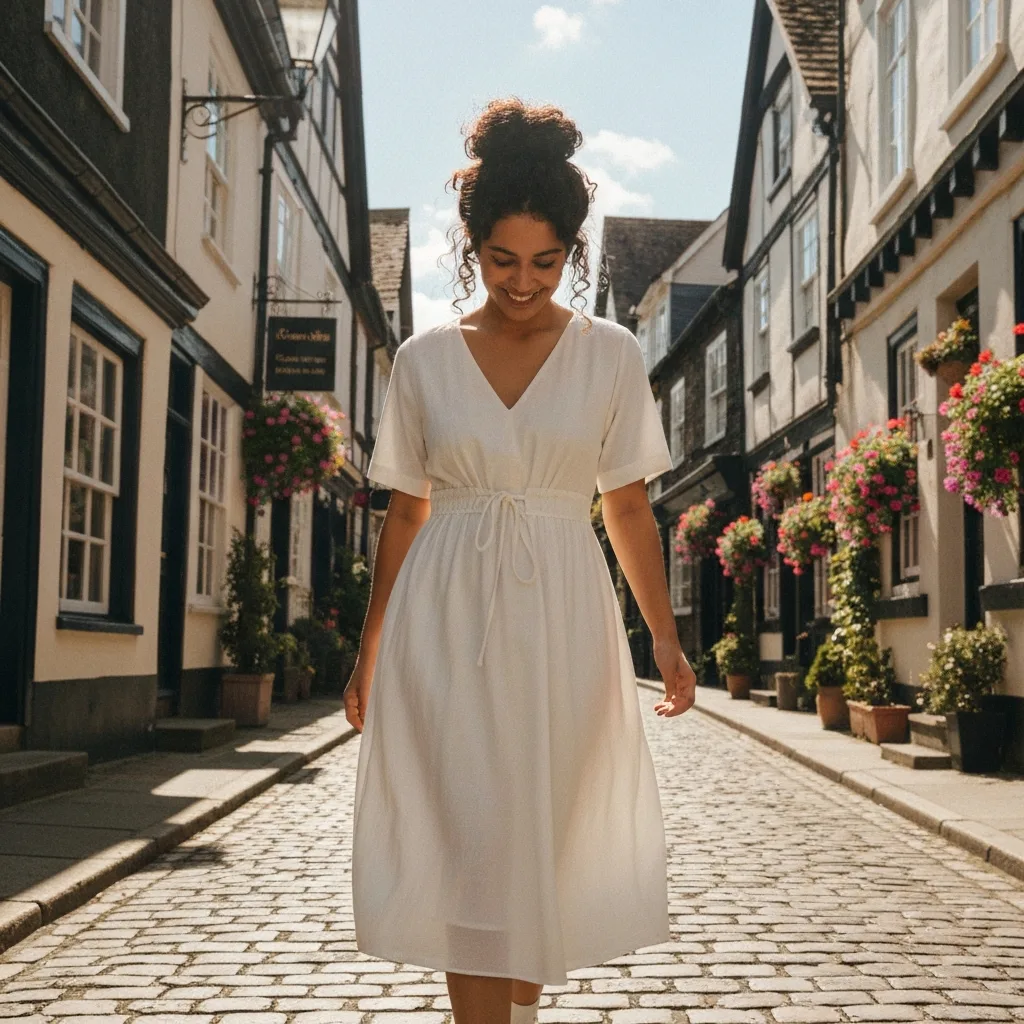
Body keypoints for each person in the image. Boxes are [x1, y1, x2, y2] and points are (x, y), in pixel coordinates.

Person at [344, 97, 697, 1024]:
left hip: (565, 619)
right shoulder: (421, 361)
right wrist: (369, 649)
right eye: (503, 260)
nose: (524, 281)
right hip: (445, 616)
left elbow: (625, 503)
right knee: (470, 838)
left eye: (545, 262)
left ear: (572, 254)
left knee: (538, 830)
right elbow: (407, 509)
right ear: (473, 246)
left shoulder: (610, 355)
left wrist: (664, 636)